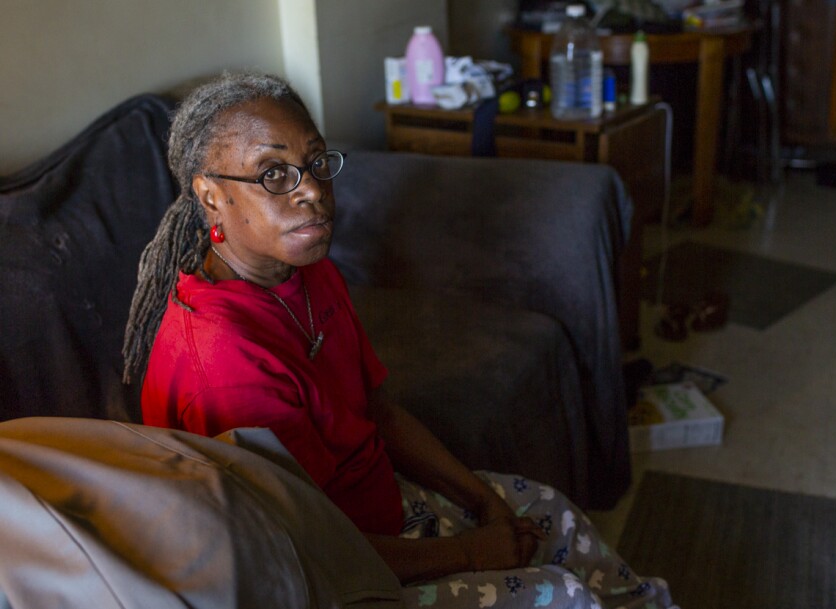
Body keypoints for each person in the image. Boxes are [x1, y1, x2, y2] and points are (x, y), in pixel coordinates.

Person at [123, 71, 676, 609]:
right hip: (323, 576)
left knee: (550, 511)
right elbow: (306, 550)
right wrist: (472, 553)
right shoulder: (223, 360)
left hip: (383, 516)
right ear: (212, 195)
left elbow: (377, 412)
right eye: (273, 175)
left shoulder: (307, 270)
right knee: (565, 597)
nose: (311, 190)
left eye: (315, 162)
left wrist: (483, 504)